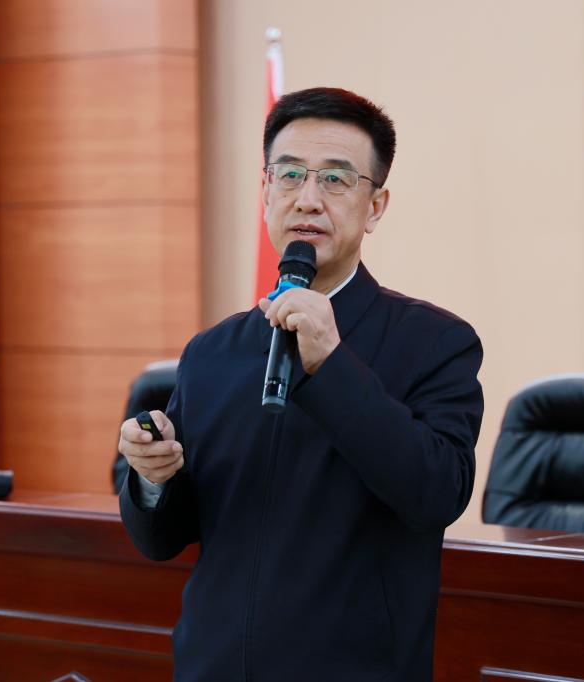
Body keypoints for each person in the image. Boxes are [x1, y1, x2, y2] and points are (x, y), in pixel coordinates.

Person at [118, 87, 483, 681]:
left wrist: (331, 365)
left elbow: (437, 494)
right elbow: (163, 541)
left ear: (376, 206)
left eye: (336, 180)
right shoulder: (211, 352)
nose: (308, 198)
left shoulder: (435, 342)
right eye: (289, 175)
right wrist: (152, 477)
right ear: (266, 192)